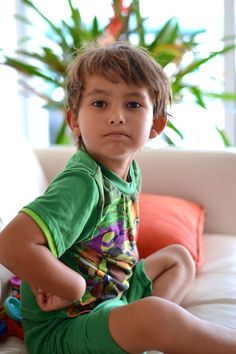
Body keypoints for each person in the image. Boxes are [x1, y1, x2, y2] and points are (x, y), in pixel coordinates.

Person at [0, 42, 236, 354]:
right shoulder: (82, 182)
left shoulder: (129, 171)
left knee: (178, 258)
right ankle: (151, 327)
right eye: (99, 103)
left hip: (112, 295)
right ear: (74, 121)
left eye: (133, 105)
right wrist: (69, 286)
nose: (116, 117)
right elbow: (11, 244)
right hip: (66, 326)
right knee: (156, 315)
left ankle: (141, 332)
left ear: (156, 125)